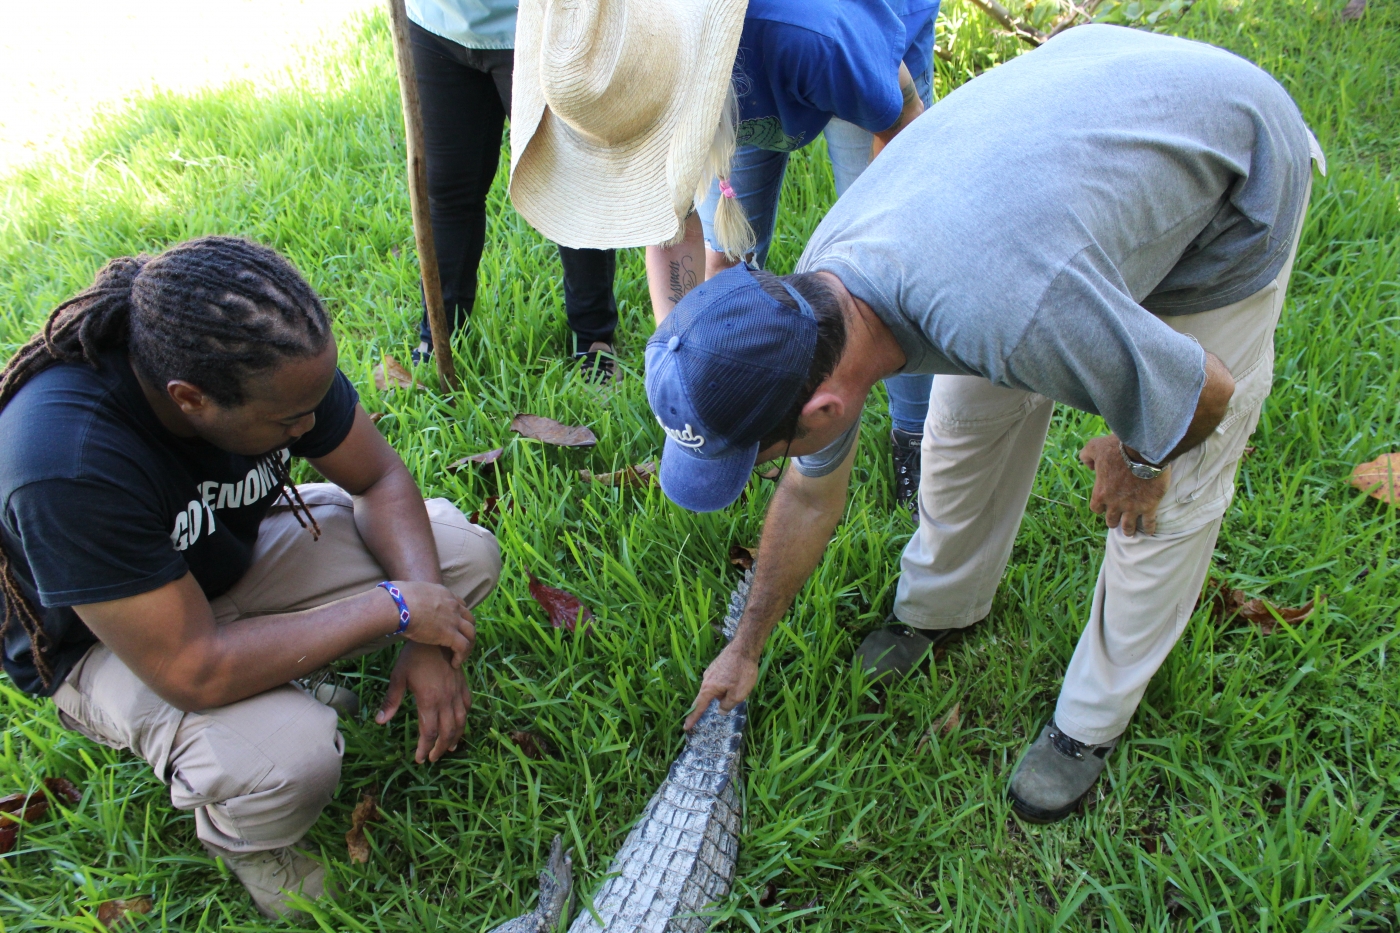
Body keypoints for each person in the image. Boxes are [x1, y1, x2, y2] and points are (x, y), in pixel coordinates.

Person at [643, 26, 1325, 822]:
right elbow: (807, 490)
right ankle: (937, 604)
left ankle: (1088, 723)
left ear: (822, 408)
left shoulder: (1016, 313)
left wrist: (1139, 455)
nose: (767, 468)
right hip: (1066, 157)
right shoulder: (813, 301)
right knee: (964, 424)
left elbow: (1206, 393)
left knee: (1165, 498)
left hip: (1231, 169)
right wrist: (745, 645)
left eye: (758, 455)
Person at [0, 237, 501, 918]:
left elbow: (380, 477)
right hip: (112, 644)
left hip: (219, 559)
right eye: (291, 421)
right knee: (291, 755)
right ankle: (246, 838)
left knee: (462, 555)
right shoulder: (67, 460)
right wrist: (396, 607)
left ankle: (283, 676)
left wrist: (426, 627)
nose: (309, 425)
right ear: (191, 399)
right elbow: (193, 666)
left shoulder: (271, 358)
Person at [507, 0, 937, 504]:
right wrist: (688, 365)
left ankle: (915, 435)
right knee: (727, 247)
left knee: (885, 284)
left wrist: (868, 268)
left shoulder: (812, 35)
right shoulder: (635, 63)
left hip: (863, 60)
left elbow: (906, 143)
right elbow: (676, 228)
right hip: (734, 79)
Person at [406, 0, 620, 381]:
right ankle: (439, 333)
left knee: (571, 185)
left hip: (539, 22)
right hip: (435, 21)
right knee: (448, 190)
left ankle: (593, 340)